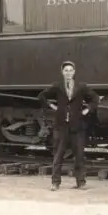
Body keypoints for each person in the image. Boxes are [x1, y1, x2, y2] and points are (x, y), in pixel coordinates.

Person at [39, 61, 100, 191]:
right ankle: (55, 182)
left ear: (74, 72)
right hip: (61, 126)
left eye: (70, 70)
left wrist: (87, 109)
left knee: (79, 155)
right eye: (66, 70)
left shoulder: (81, 86)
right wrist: (52, 107)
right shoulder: (57, 86)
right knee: (58, 155)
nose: (68, 73)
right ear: (62, 72)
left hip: (77, 125)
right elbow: (42, 96)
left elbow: (95, 98)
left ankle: (81, 182)